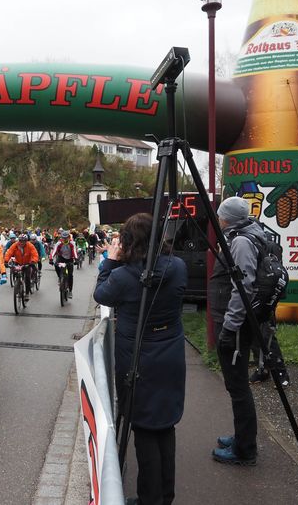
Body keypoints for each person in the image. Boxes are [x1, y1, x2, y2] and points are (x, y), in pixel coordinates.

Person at [93, 213, 187, 505]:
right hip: (171, 353)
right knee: (165, 424)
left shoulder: (123, 276)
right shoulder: (178, 267)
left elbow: (101, 295)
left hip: (137, 356)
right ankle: (165, 495)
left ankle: (150, 498)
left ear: (128, 242)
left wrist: (111, 261)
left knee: (144, 427)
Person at [209, 196, 265, 466]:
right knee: (237, 385)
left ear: (227, 218)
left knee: (238, 386)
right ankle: (242, 437)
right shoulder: (247, 234)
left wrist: (230, 328)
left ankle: (245, 450)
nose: (218, 218)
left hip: (236, 326)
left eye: (220, 214)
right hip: (238, 324)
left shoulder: (241, 242)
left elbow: (243, 287)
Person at [4, 233, 39, 301]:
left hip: (27, 263)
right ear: (18, 240)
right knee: (15, 272)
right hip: (18, 262)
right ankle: (18, 284)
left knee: (27, 278)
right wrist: (6, 261)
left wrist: (33, 261)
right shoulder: (15, 245)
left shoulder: (30, 245)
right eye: (20, 241)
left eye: (24, 241)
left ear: (26, 241)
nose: (22, 242)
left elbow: (35, 254)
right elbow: (9, 253)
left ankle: (27, 294)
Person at [50, 230, 77, 297]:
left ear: (69, 237)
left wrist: (76, 259)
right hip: (61, 258)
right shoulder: (59, 243)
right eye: (63, 238)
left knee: (70, 275)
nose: (64, 239)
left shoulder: (72, 243)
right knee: (56, 265)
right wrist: (51, 259)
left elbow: (74, 251)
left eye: (66, 238)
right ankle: (60, 277)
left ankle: (70, 291)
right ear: (61, 237)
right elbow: (54, 251)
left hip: (69, 259)